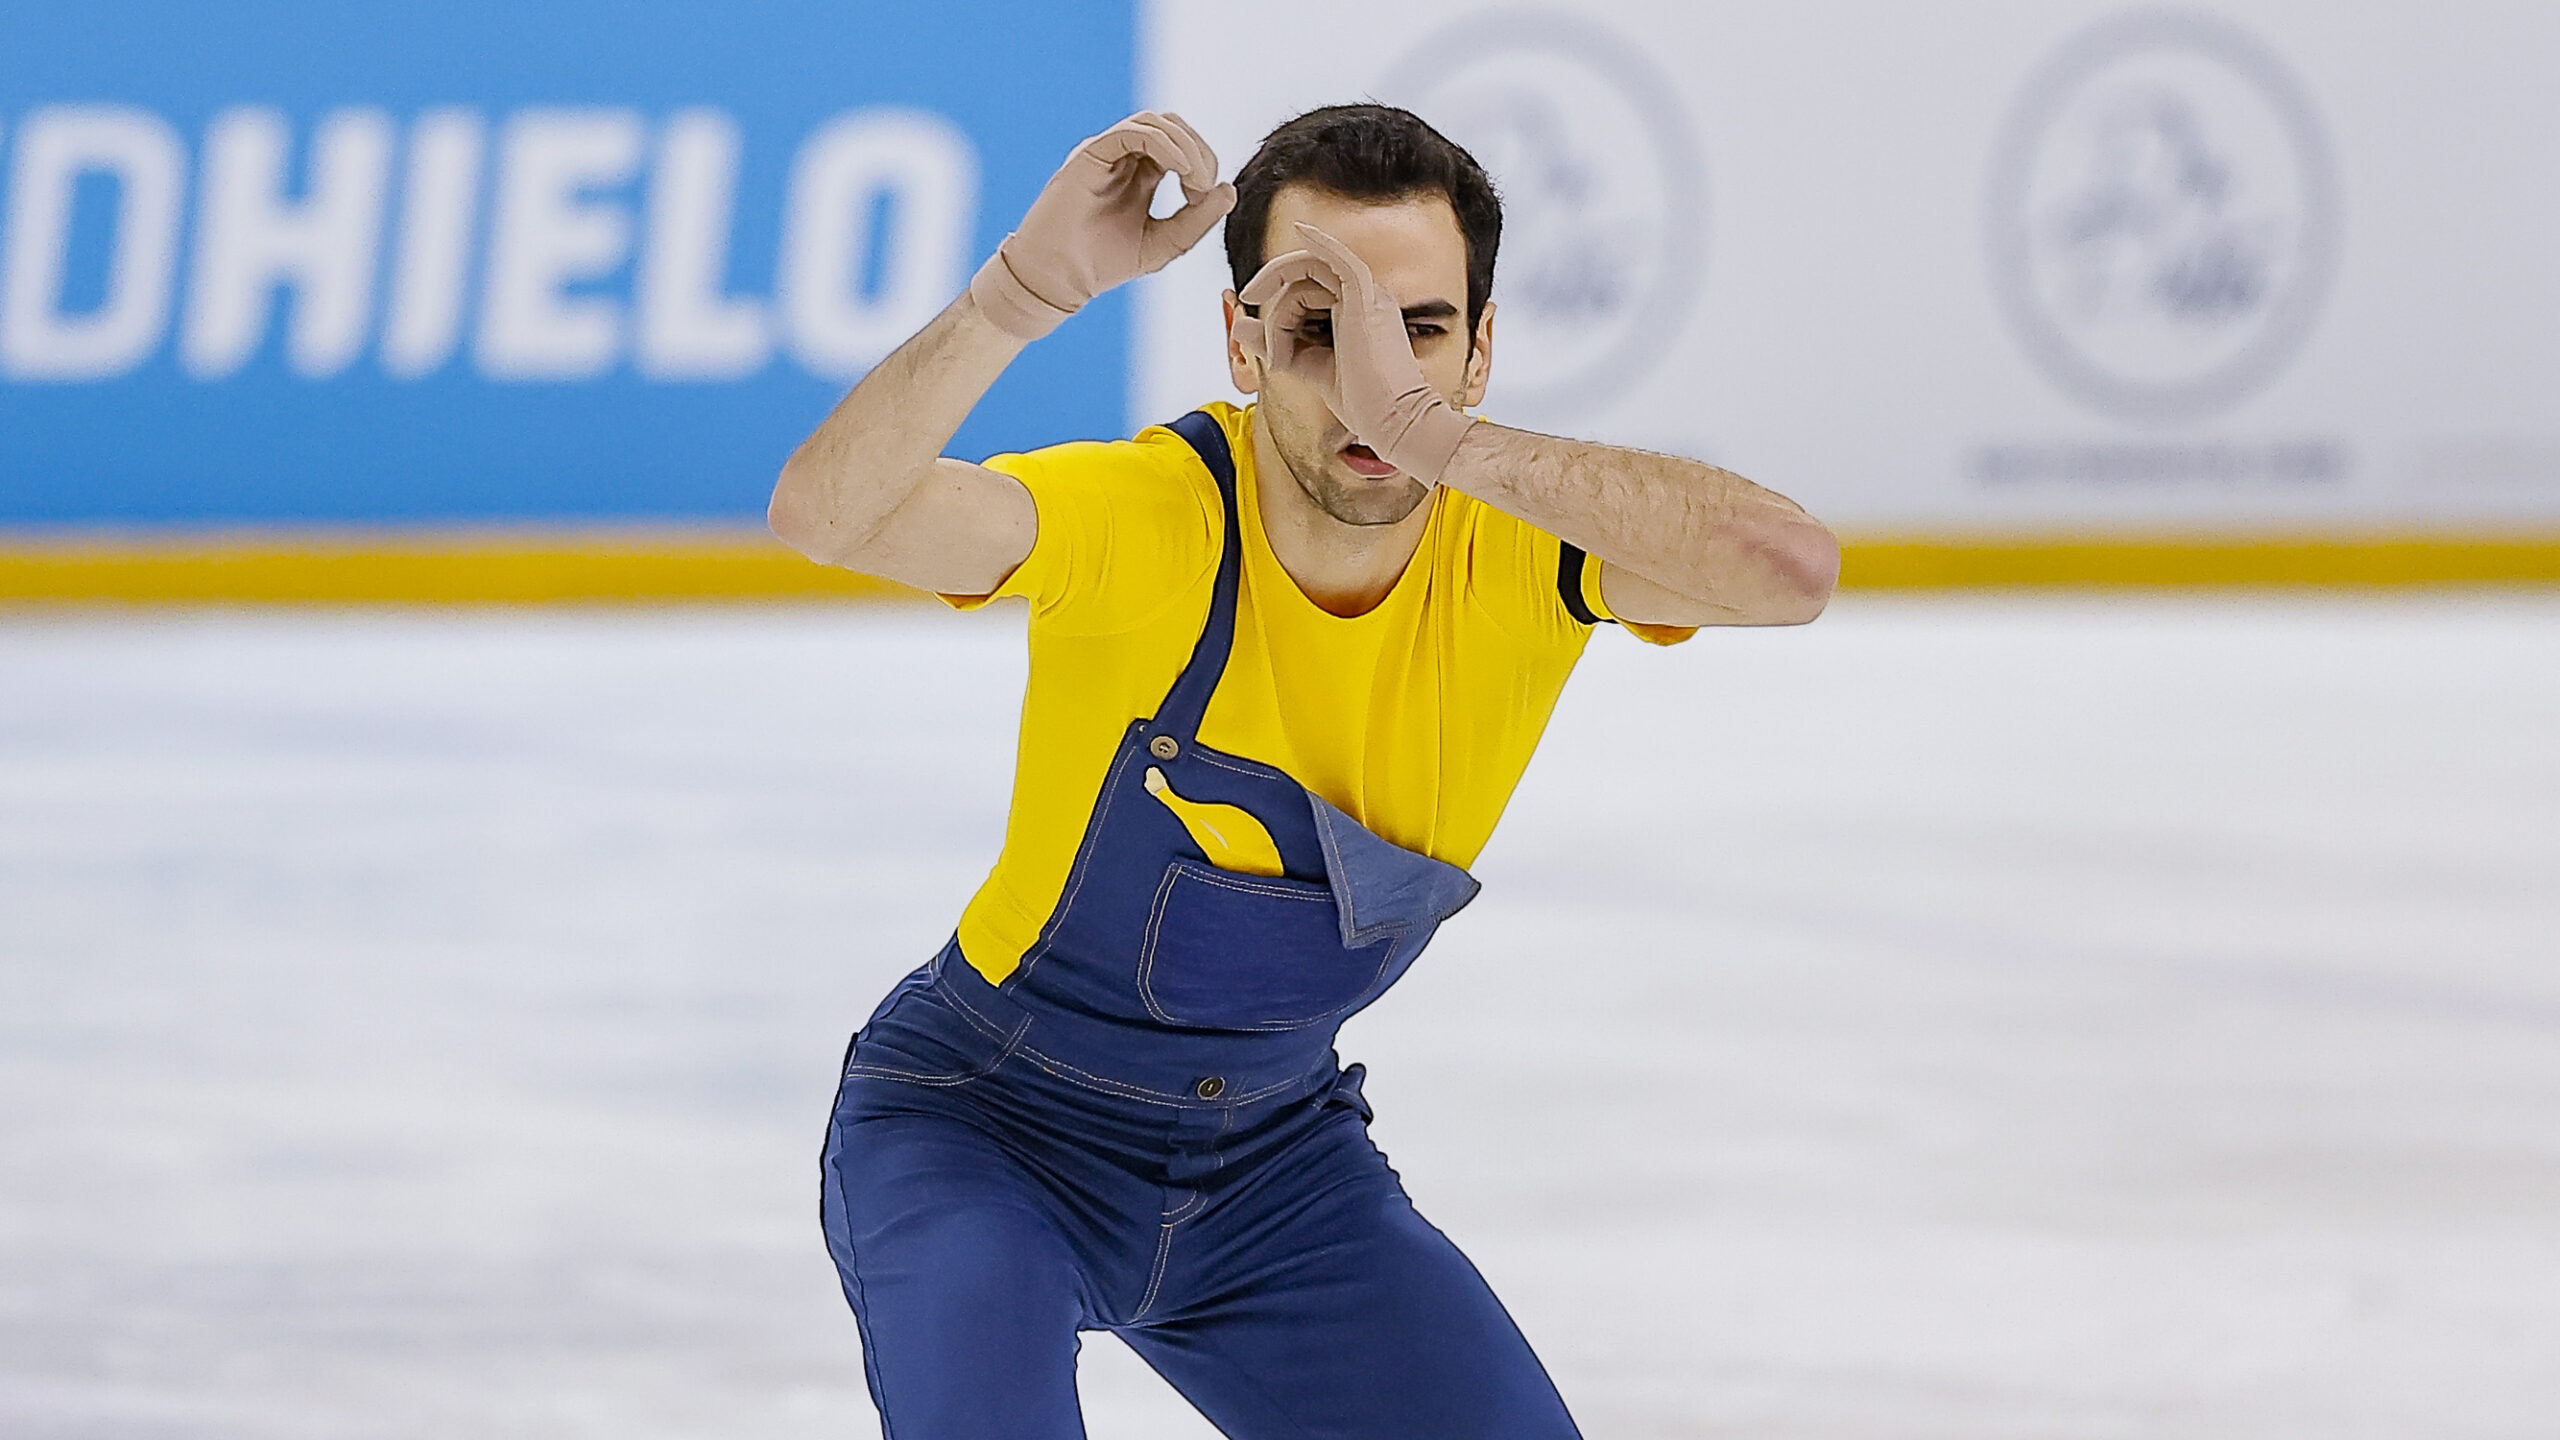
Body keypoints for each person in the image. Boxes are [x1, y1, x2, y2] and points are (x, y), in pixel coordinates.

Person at [769, 104, 1837, 1439]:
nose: (1370, 384)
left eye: (1418, 332)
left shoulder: (1518, 547)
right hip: (986, 1136)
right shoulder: (1156, 516)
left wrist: (1438, 437)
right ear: (1243, 342)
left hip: (1276, 1175)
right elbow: (829, 515)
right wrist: (1018, 296)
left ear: (1482, 348)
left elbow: (1792, 571)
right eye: (1321, 332)